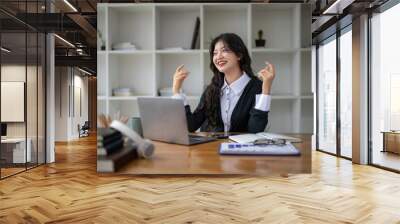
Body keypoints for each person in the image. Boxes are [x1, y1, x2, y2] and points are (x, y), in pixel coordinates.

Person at [172, 33, 275, 133]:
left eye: (225, 50)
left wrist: (266, 89)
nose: (218, 57)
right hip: (210, 149)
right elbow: (191, 125)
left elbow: (255, 130)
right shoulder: (212, 88)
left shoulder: (256, 87)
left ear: (239, 55)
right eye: (215, 53)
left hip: (239, 149)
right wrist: (177, 91)